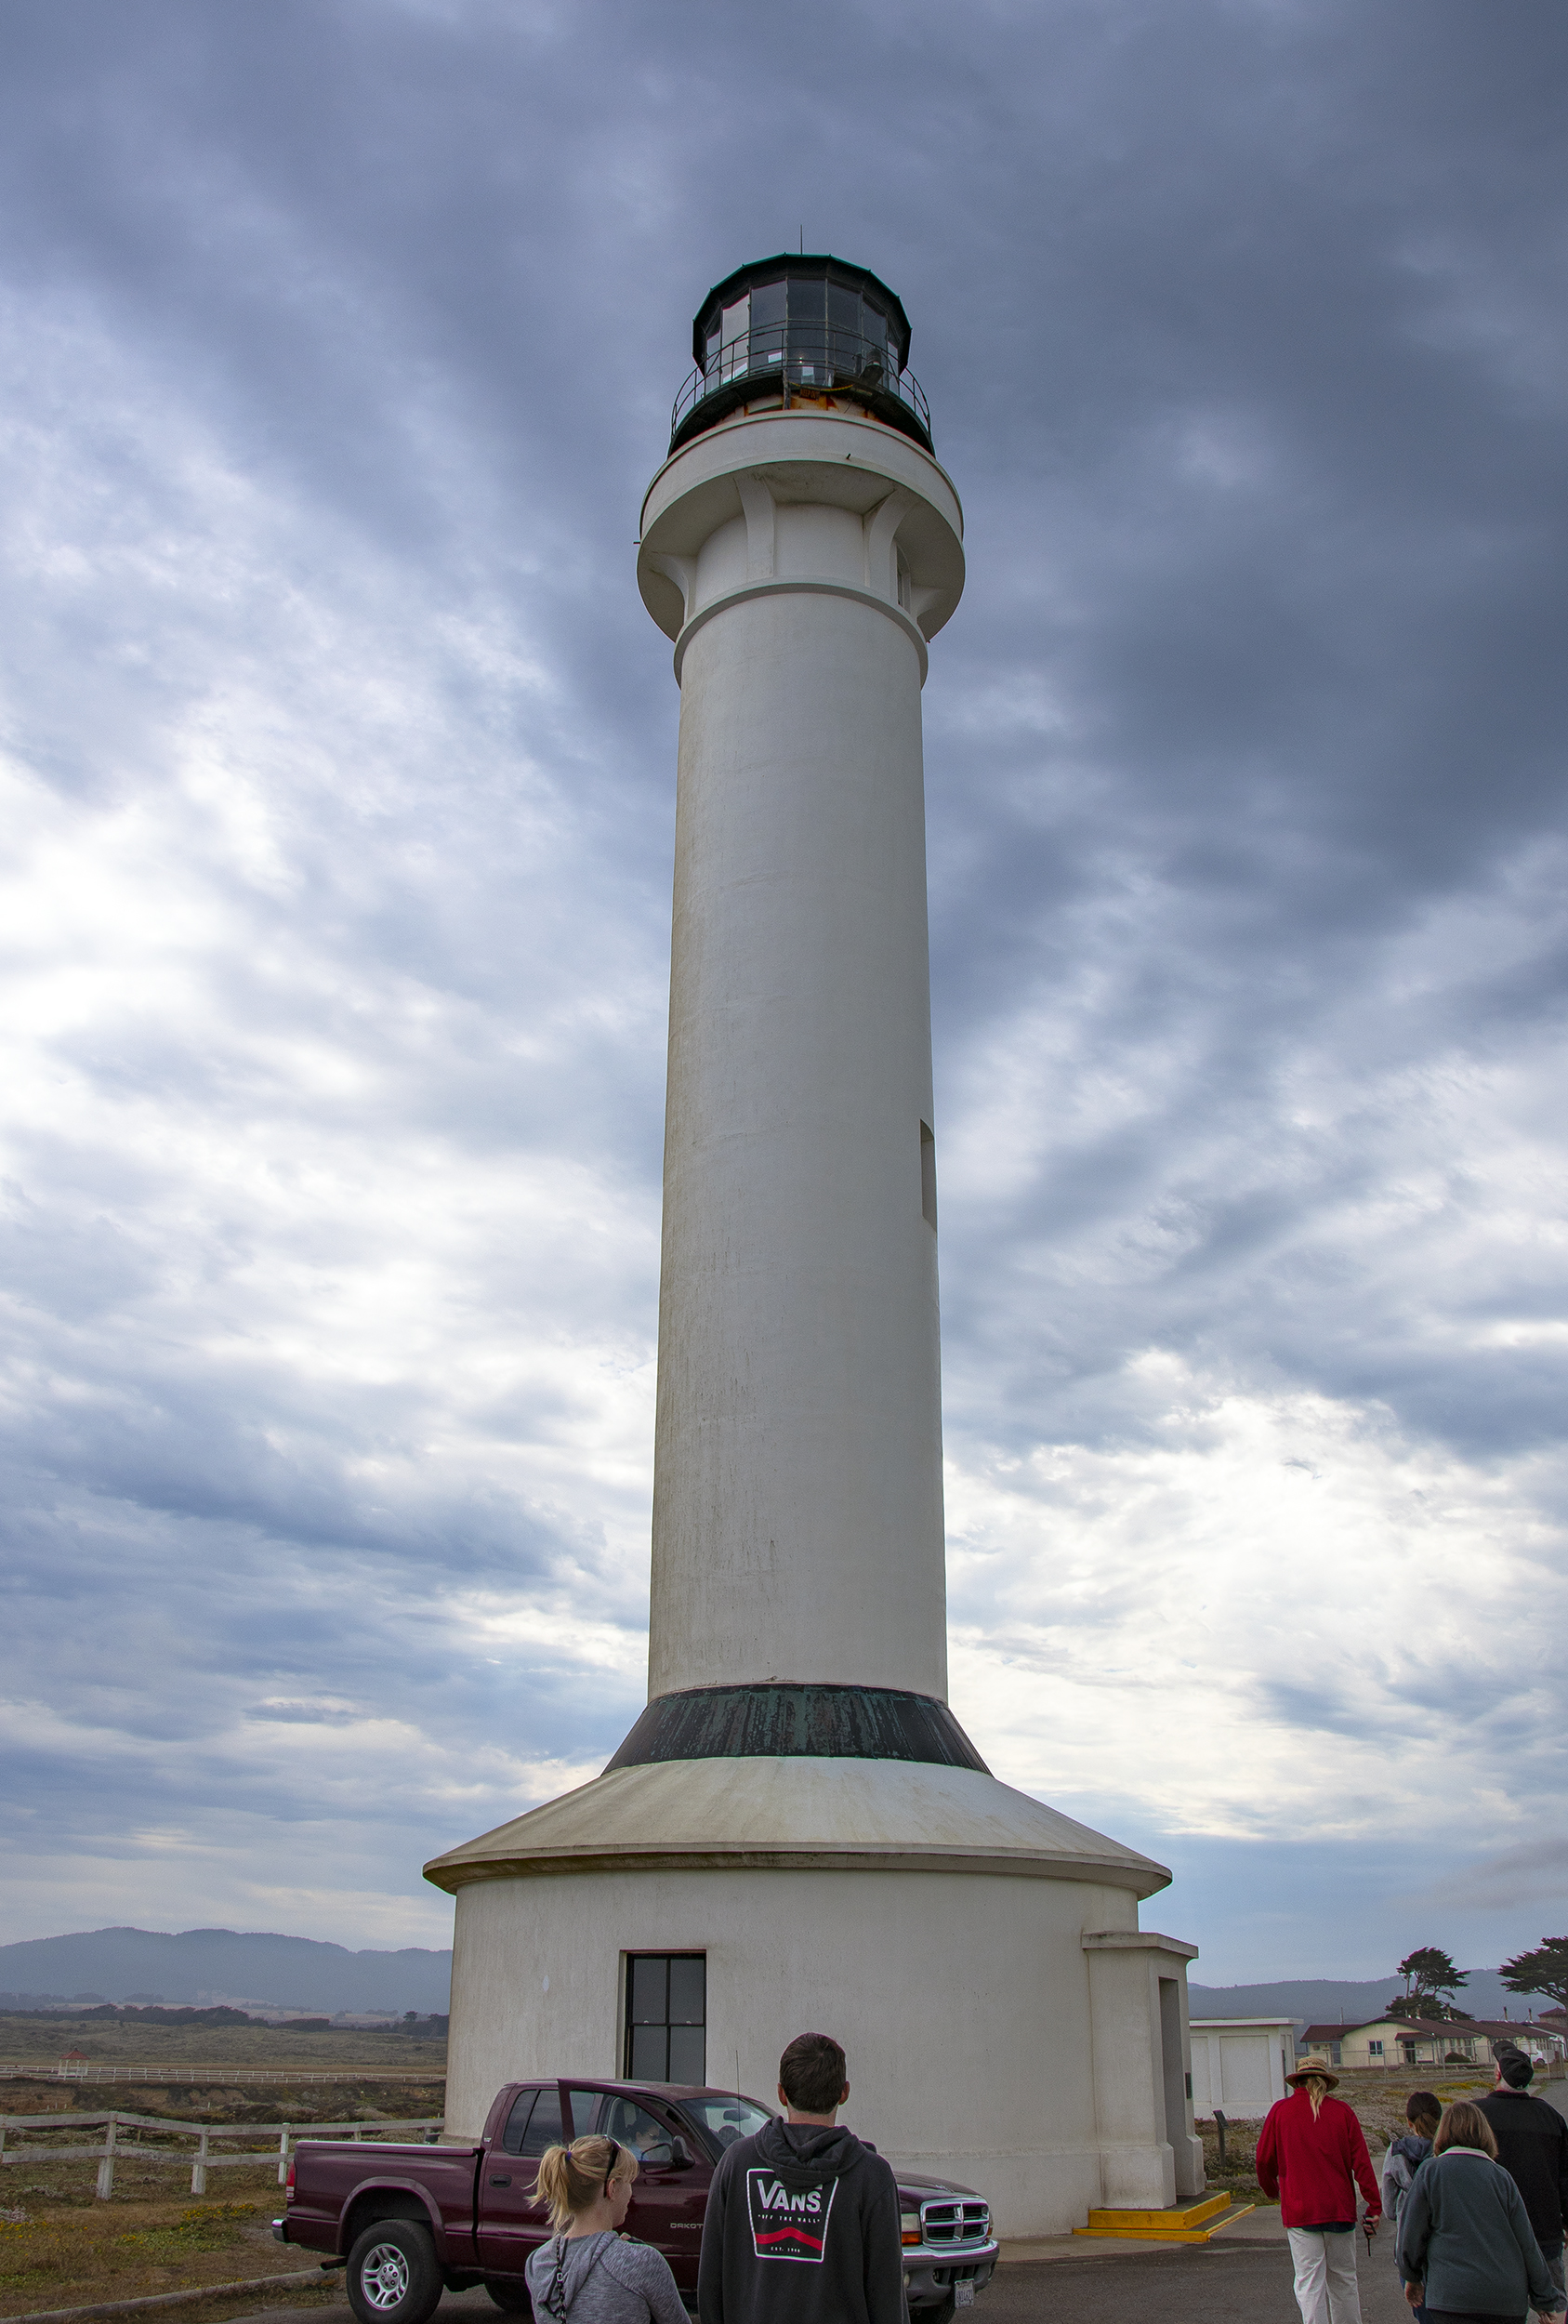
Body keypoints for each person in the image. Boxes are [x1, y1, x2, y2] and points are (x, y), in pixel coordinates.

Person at [697, 2031, 904, 2324]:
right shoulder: (871, 2177)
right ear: (844, 2092)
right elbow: (886, 2295)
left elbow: (709, 2283)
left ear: (781, 2093)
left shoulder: (736, 2163)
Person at [1397, 2097, 1565, 2324]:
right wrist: (1544, 2299)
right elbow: (1527, 2243)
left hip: (1451, 2298)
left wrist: (1412, 2277)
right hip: (1506, 2302)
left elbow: (1411, 2233)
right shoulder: (1502, 2177)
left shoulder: (1431, 2172)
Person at [1256, 2052, 1381, 2324]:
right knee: (1344, 2282)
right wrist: (1374, 2205)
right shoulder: (1343, 2113)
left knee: (1309, 2284)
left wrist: (1272, 2190)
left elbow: (1264, 2159)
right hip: (1340, 2211)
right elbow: (1362, 2164)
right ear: (1325, 2081)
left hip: (1301, 2212)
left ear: (1298, 2082)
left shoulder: (1280, 2112)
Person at [525, 2134, 689, 2324]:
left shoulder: (538, 2263)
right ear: (612, 2188)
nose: (631, 2193)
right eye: (629, 2182)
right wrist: (631, 2251)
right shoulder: (641, 2262)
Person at [1478, 2040, 1568, 2311]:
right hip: (1546, 2229)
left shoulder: (1477, 2115)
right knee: (1551, 2307)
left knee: (1499, 2310)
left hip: (1493, 2233)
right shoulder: (1551, 2118)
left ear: (1497, 2074)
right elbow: (1565, 2179)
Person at [1385, 2093, 1443, 2324]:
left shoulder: (1395, 2152)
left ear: (1408, 2121)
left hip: (1408, 2251)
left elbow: (1389, 2209)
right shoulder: (1444, 2152)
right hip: (1441, 2250)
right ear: (1439, 2119)